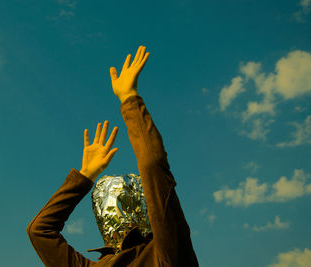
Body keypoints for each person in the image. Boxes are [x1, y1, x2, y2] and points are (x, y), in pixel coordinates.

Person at [26, 45, 199, 266]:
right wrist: (129, 98)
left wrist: (85, 176)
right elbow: (153, 167)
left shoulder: (164, 251)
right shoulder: (166, 252)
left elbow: (39, 231)